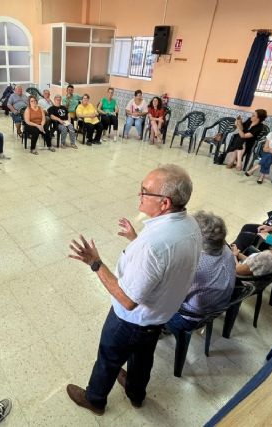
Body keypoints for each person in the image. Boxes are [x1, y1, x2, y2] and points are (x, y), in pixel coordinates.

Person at [66, 164, 201, 414]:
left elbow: (127, 300)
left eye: (145, 191)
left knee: (109, 357)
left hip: (130, 320)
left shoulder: (153, 245)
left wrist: (95, 262)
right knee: (143, 356)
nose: (139, 195)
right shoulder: (190, 225)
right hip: (159, 316)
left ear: (165, 203)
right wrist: (134, 239)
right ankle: (136, 394)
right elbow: (164, 263)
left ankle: (95, 399)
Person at [164, 211, 235, 334]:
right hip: (218, 306)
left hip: (189, 318)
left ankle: (159, 329)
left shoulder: (192, 265)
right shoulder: (226, 249)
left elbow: (170, 295)